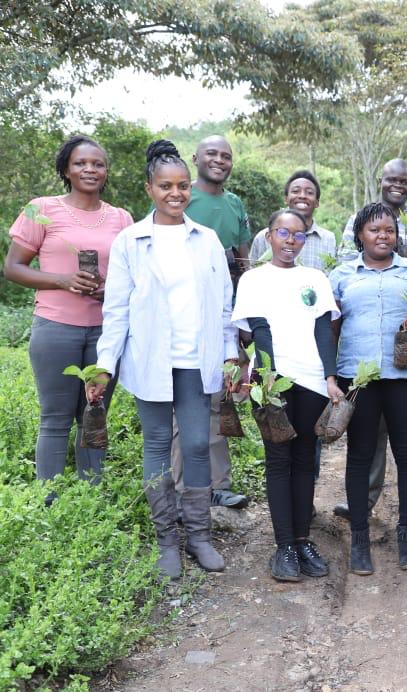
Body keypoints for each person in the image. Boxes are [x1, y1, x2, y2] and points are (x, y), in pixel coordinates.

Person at [89, 140, 237, 579]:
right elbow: (116, 310)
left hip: (195, 361)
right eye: (166, 186)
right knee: (156, 445)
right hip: (151, 359)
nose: (176, 193)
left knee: (196, 444)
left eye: (182, 186)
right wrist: (104, 364)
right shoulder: (130, 241)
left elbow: (224, 307)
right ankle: (166, 541)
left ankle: (199, 537)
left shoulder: (207, 240)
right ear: (150, 189)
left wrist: (231, 355)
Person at [4, 135, 133, 491]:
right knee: (55, 418)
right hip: (55, 329)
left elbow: (135, 276)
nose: (90, 169)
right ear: (66, 169)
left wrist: (111, 289)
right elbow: (13, 268)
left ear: (106, 171)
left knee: (94, 414)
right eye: (80, 163)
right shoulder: (41, 209)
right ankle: (49, 500)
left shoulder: (121, 218)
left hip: (106, 333)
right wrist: (62, 280)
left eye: (98, 164)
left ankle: (89, 497)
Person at [329, 202, 407, 573]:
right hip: (358, 377)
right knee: (360, 454)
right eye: (375, 230)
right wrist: (328, 374)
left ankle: (406, 534)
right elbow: (330, 328)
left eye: (389, 230)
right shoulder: (342, 275)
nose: (383, 236)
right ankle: (359, 540)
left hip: (406, 377)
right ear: (360, 235)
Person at [232, 209, 342, 582]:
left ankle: (302, 540)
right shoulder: (253, 279)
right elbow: (258, 331)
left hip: (312, 381)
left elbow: (323, 330)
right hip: (271, 383)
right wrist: (267, 378)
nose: (291, 241)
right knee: (279, 460)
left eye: (298, 235)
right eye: (283, 233)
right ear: (269, 236)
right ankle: (284, 547)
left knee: (305, 460)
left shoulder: (315, 278)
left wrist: (329, 377)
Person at [170, 135, 251, 510]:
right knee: (183, 407)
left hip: (224, 313)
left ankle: (219, 485)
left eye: (226, 156)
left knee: (220, 400)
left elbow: (244, 262)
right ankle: (182, 488)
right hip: (185, 314)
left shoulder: (235, 204)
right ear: (195, 158)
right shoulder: (182, 197)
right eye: (211, 154)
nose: (219, 160)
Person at [248, 171, 337, 272]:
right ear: (286, 199)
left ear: (317, 202)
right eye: (295, 191)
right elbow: (253, 272)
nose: (302, 196)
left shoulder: (329, 239)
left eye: (309, 193)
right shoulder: (265, 237)